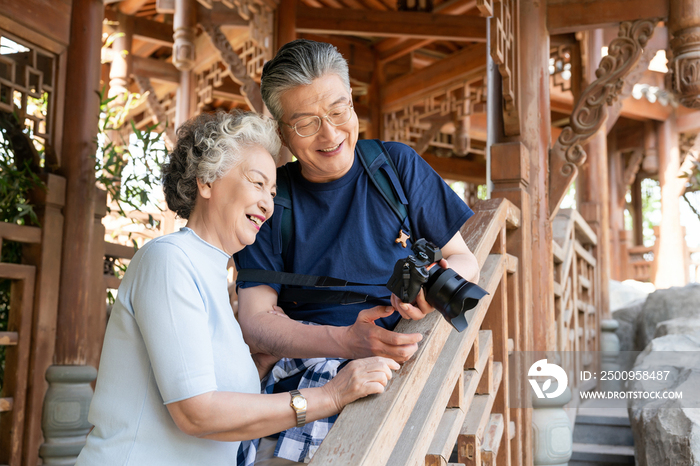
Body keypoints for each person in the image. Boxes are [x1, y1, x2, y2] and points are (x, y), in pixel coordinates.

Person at [75, 111, 399, 466]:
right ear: (207, 182)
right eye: (257, 183)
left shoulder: (213, 275)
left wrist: (259, 366)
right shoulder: (169, 259)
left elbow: (213, 393)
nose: (268, 203)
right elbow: (197, 413)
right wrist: (331, 394)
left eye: (273, 192)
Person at [234, 39, 481, 464]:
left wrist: (426, 294)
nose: (330, 134)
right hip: (311, 361)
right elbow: (255, 320)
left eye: (337, 110)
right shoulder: (271, 199)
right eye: (307, 123)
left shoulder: (396, 167)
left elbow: (464, 259)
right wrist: (347, 343)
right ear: (281, 133)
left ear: (353, 103)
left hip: (404, 348)